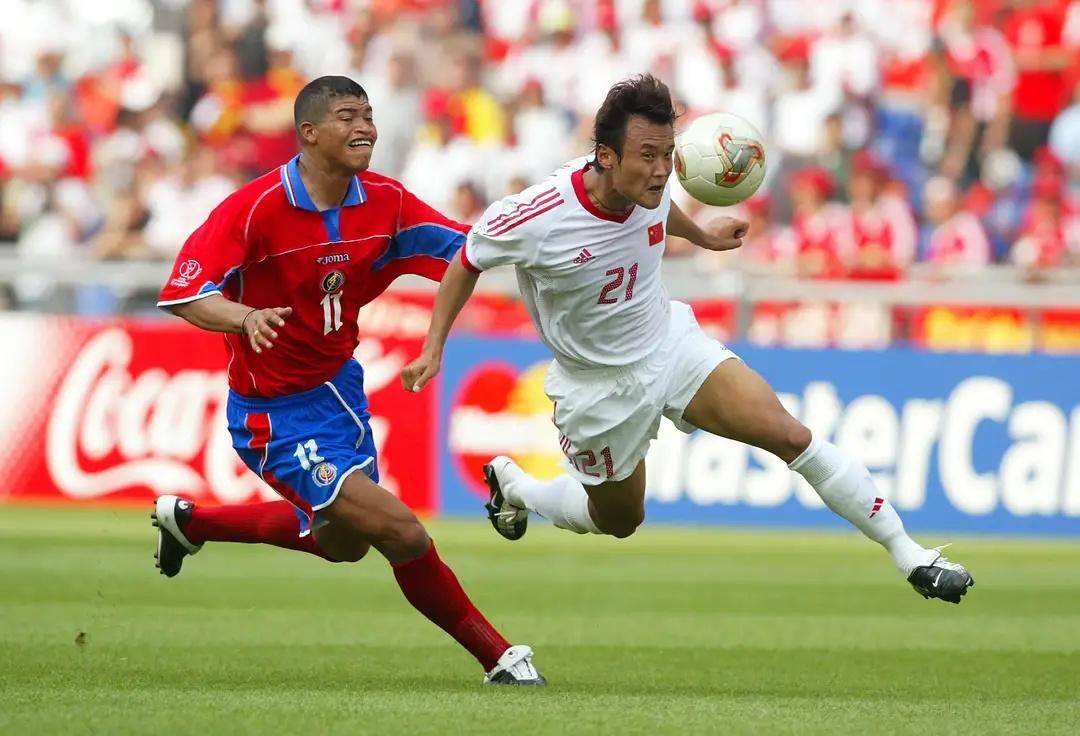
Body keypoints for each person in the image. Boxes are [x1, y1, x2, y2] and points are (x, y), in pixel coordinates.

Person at [402, 74, 974, 605]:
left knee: (789, 434)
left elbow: (654, 212)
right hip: (597, 389)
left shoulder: (646, 188)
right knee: (619, 520)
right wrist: (434, 345)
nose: (661, 171)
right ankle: (519, 488)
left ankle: (911, 555)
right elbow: (468, 259)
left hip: (670, 346)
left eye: (667, 155)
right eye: (647, 156)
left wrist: (700, 234)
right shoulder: (540, 215)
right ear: (606, 156)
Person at [154, 75, 544, 685]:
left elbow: (469, 253)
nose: (364, 127)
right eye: (347, 116)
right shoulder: (254, 208)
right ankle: (500, 658)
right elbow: (185, 294)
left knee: (345, 543)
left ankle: (190, 522)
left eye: (368, 114)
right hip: (273, 415)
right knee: (401, 531)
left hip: (340, 395)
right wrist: (245, 316)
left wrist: (556, 240)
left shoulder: (386, 201)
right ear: (308, 133)